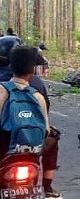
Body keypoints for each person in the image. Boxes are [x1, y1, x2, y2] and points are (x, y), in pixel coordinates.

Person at [0, 39, 62, 199]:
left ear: (11, 66)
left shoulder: (2, 90)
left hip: (4, 152)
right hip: (32, 153)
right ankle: (47, 188)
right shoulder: (37, 94)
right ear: (33, 69)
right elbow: (45, 129)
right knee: (53, 137)